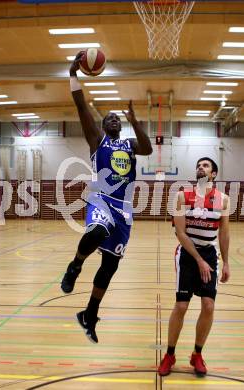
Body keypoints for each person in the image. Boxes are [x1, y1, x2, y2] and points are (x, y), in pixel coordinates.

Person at [61, 52, 153, 343]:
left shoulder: (129, 143)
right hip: (101, 198)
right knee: (97, 231)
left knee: (110, 266)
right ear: (102, 126)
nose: (113, 118)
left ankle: (89, 313)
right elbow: (80, 107)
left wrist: (135, 120)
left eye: (117, 117)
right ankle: (75, 264)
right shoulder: (97, 140)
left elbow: (148, 148)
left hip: (124, 209)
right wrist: (74, 75)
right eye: (108, 117)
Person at [158, 157, 230, 377]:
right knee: (181, 306)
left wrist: (226, 262)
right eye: (198, 165)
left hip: (210, 253)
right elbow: (180, 233)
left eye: (206, 166)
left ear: (214, 174)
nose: (201, 167)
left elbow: (224, 233)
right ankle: (169, 354)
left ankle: (197, 354)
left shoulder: (224, 200)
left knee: (208, 306)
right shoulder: (182, 196)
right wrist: (199, 260)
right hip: (188, 255)